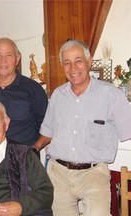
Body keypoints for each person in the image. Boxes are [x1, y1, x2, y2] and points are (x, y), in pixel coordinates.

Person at [34, 39, 131, 215]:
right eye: (67, 62)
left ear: (89, 61)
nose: (73, 68)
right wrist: (33, 149)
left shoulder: (110, 94)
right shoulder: (58, 95)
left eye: (78, 60)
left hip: (93, 174)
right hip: (59, 173)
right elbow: (47, 131)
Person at [0, 38, 48, 157]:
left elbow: (48, 126)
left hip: (24, 160)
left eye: (9, 55)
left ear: (17, 58)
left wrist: (35, 148)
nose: (3, 60)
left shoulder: (33, 89)